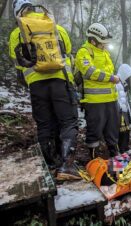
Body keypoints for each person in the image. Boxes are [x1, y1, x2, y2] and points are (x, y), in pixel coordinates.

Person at [9, 0, 79, 180]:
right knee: (68, 122)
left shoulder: (17, 34)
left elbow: (18, 64)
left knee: (45, 124)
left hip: (37, 86)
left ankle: (50, 166)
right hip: (60, 82)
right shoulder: (56, 28)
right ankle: (66, 166)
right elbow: (69, 54)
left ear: (18, 13)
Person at [75, 23, 120, 160]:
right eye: (102, 43)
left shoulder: (105, 53)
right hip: (94, 102)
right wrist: (111, 78)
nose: (104, 45)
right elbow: (90, 72)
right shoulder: (84, 52)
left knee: (112, 132)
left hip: (111, 100)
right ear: (93, 40)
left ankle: (118, 166)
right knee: (94, 132)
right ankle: (94, 162)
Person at [116, 64, 131, 153]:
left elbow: (125, 100)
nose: (129, 78)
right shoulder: (117, 84)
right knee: (122, 132)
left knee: (127, 131)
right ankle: (121, 149)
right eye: (128, 75)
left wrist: (128, 112)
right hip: (120, 113)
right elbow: (118, 99)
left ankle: (125, 148)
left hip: (125, 112)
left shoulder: (123, 84)